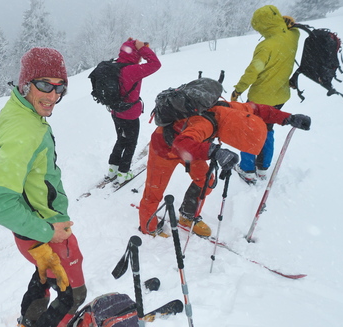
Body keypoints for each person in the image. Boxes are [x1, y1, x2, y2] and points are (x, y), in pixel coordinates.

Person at [0, 47, 87, 327]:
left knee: (45, 273)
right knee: (74, 293)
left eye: (60, 87)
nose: (53, 95)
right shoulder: (24, 129)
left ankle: (30, 322)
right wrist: (48, 229)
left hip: (30, 229)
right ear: (25, 84)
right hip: (43, 228)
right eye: (45, 85)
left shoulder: (18, 113)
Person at [139, 100, 311, 237]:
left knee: (206, 180)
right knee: (154, 191)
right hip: (164, 148)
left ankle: (188, 215)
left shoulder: (233, 111)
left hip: (191, 148)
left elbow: (257, 109)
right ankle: (149, 227)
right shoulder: (205, 124)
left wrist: (287, 118)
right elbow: (180, 144)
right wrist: (213, 150)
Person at [231, 5, 300, 185]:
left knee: (250, 130)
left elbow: (253, 71)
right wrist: (287, 24)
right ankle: (263, 167)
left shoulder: (266, 46)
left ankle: (247, 169)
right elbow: (295, 29)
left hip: (260, 99)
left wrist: (238, 89)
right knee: (268, 129)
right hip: (281, 96)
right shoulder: (293, 36)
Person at [105, 38, 161, 184]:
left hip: (115, 112)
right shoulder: (132, 70)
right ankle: (123, 172)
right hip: (129, 114)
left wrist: (133, 45)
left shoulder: (115, 65)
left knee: (121, 139)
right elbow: (156, 64)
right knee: (131, 142)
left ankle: (113, 169)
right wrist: (143, 49)